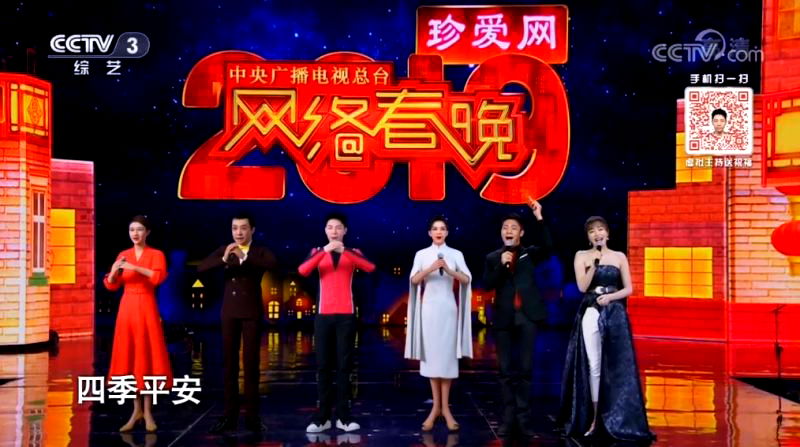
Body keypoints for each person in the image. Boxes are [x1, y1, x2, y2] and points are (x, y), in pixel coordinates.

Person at [558, 216, 654, 442]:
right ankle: (595, 418)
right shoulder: (582, 256)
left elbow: (629, 289)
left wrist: (611, 297)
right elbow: (582, 287)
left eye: (600, 229)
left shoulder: (619, 256)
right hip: (591, 310)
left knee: (616, 364)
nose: (597, 234)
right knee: (594, 365)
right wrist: (594, 264)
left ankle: (616, 416)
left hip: (614, 313)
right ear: (588, 237)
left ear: (608, 234)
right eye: (592, 231)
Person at [199, 213, 277, 434]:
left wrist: (245, 257)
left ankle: (252, 417)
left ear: (252, 230)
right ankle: (229, 416)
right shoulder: (226, 250)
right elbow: (202, 268)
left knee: (251, 365)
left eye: (243, 228)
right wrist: (224, 258)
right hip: (229, 312)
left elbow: (273, 264)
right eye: (235, 228)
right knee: (229, 365)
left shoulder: (259, 251)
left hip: (251, 311)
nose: (239, 232)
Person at [299, 212, 376, 433]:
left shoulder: (354, 253)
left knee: (344, 367)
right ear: (325, 230)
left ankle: (343, 416)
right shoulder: (316, 251)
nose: (334, 231)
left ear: (345, 231)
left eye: (338, 227)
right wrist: (324, 250)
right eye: (330, 227)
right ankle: (322, 417)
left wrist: (345, 252)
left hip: (346, 316)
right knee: (323, 366)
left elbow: (370, 268)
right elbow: (303, 270)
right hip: (323, 315)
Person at [483, 198, 550, 437]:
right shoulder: (493, 257)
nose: (508, 231)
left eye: (513, 227)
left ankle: (523, 419)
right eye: (505, 228)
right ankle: (508, 417)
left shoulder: (530, 254)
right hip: (504, 317)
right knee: (504, 370)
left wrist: (539, 217)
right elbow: (487, 284)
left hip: (527, 316)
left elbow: (548, 246)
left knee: (525, 369)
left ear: (521, 233)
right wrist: (501, 266)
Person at [103, 215, 171, 433]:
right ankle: (136, 411)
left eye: (139, 229)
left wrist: (134, 267)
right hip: (127, 308)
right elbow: (112, 285)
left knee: (146, 356)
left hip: (147, 306)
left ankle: (148, 411)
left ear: (147, 232)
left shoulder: (156, 254)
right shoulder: (123, 254)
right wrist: (114, 271)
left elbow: (157, 277)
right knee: (130, 356)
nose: (135, 233)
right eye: (132, 229)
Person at [405, 215, 472, 432]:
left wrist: (450, 271)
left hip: (448, 310)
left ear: (447, 232)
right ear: (429, 233)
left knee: (447, 360)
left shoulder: (456, 254)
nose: (439, 232)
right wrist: (431, 268)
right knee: (433, 360)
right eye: (435, 228)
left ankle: (446, 408)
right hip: (429, 311)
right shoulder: (421, 254)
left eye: (442, 228)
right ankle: (436, 408)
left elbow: (467, 279)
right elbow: (414, 280)